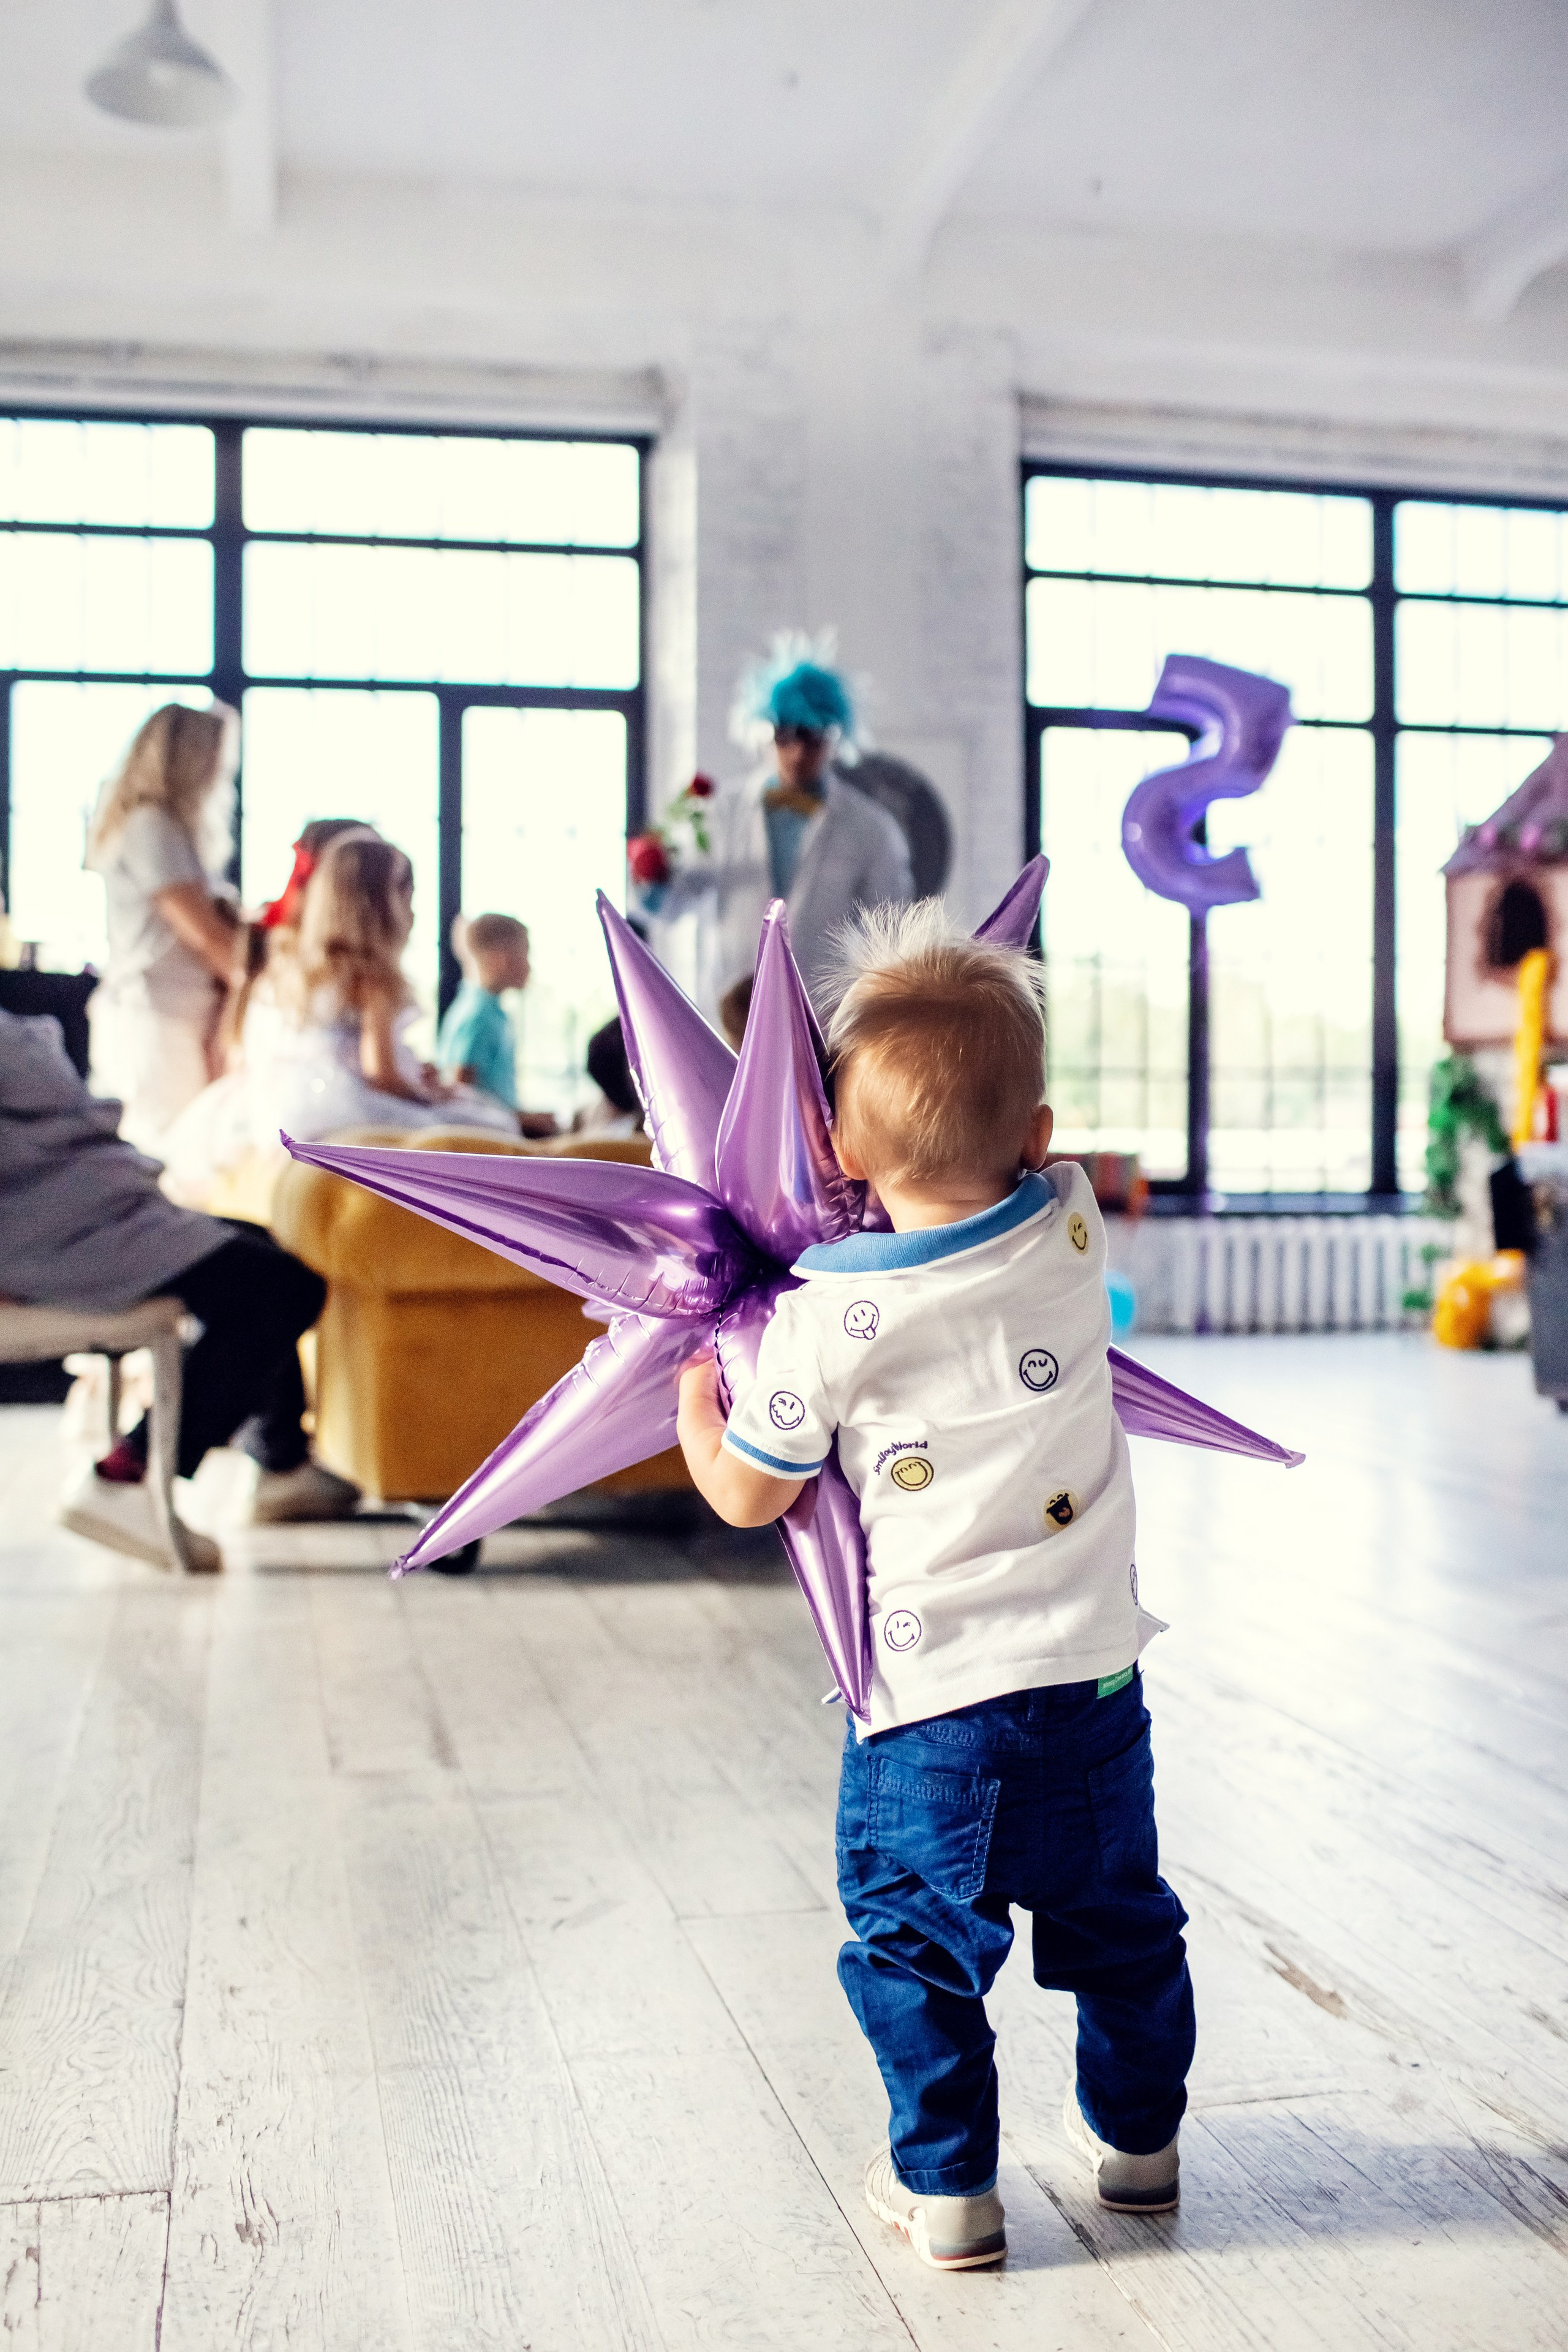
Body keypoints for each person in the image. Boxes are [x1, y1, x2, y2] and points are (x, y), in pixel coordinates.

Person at [673, 902, 1191, 2272]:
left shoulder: (824, 1321)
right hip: (1095, 1689)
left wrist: (696, 1414)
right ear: (1039, 1136)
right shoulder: (1070, 1232)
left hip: (931, 1712)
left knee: (914, 1949)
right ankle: (1139, 2144)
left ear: (840, 1153)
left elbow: (750, 1494)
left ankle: (950, 2186)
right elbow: (1020, 1157)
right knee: (1121, 1926)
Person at [0, 1007, 359, 1572]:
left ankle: (280, 1463)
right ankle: (126, 1476)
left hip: (83, 1213)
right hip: (58, 1232)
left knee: (261, 1248)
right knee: (282, 1289)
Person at [629, 649, 913, 1021]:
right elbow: (671, 903)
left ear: (834, 737)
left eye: (811, 737)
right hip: (734, 1010)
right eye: (784, 734)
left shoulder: (871, 828)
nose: (797, 751)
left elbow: (892, 931)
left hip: (825, 1017)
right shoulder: (723, 813)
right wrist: (652, 878)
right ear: (763, 732)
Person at [85, 701, 246, 1152]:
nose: (220, 775)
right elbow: (204, 934)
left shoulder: (165, 829)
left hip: (168, 1017)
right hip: (154, 1019)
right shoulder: (151, 825)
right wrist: (262, 982)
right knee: (164, 1153)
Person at [436, 913, 557, 1137]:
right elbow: (461, 1093)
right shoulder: (479, 1016)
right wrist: (523, 1121)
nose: (529, 966)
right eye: (525, 954)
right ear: (501, 959)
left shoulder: (483, 1009)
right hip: (488, 1137)